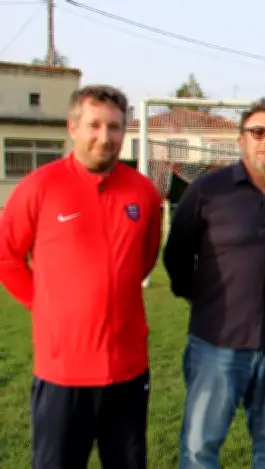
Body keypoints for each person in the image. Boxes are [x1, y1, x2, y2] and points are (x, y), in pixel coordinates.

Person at [0, 85, 162, 469]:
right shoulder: (40, 186)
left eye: (115, 127)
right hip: (63, 373)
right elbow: (7, 259)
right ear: (73, 128)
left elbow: (145, 259)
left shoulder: (143, 191)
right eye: (94, 125)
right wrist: (47, 306)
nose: (105, 137)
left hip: (127, 368)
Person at [162, 98, 265, 469]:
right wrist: (198, 297)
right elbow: (176, 255)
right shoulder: (208, 190)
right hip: (216, 345)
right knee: (200, 448)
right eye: (257, 132)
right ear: (241, 140)